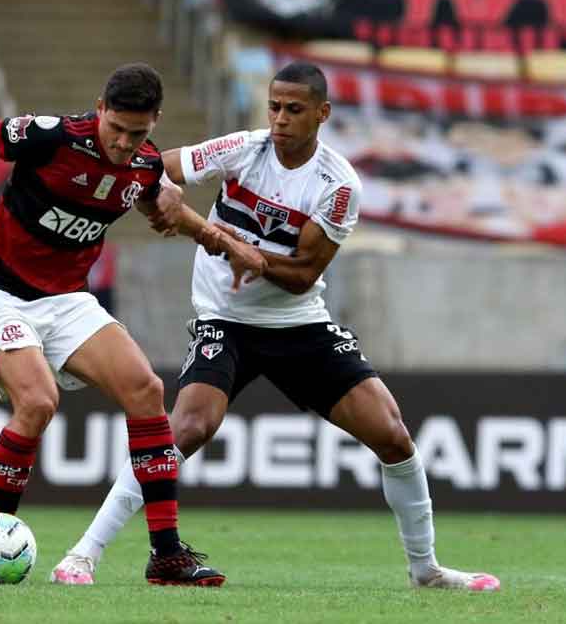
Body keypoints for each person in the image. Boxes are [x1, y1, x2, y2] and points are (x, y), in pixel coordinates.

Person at [50, 62, 501, 591]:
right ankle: (83, 554)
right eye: (274, 107)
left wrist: (249, 255)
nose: (280, 119)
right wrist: (162, 190)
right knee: (187, 429)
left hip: (297, 324)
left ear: (322, 114)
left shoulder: (337, 185)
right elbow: (157, 165)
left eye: (294, 109)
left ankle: (426, 569)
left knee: (395, 437)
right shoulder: (244, 148)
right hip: (225, 319)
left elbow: (303, 275)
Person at [0, 63, 266, 587]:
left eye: (137, 133)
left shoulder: (143, 167)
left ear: (154, 123)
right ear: (99, 109)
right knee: (38, 401)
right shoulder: (51, 137)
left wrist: (231, 245)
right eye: (115, 128)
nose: (122, 143)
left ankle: (166, 556)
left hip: (66, 300)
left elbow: (171, 211)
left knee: (146, 389)